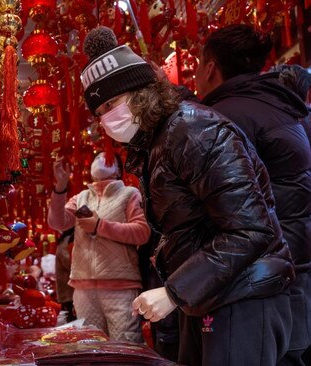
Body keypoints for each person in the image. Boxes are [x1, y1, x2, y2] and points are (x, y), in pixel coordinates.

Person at [80, 26, 294, 365]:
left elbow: (251, 229)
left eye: (111, 103)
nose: (106, 118)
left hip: (243, 296)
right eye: (99, 112)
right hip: (210, 296)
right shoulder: (157, 143)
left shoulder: (194, 130)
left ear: (141, 92)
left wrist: (174, 291)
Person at [196, 25, 311, 365]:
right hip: (299, 265)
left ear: (210, 67)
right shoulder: (287, 108)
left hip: (253, 282)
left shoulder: (220, 119)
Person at [48, 152, 151, 343]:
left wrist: (100, 226)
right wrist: (60, 187)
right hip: (83, 286)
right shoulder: (81, 197)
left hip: (120, 286)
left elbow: (142, 232)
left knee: (125, 346)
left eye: (108, 157)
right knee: (89, 346)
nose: (101, 160)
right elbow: (57, 222)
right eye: (97, 157)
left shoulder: (130, 194)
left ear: (119, 169)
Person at [54, 227, 76, 322]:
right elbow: (70, 263)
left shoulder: (65, 239)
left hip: (69, 293)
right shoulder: (67, 240)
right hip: (69, 293)